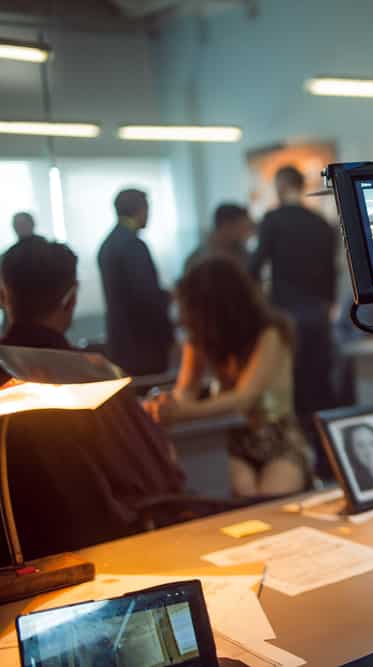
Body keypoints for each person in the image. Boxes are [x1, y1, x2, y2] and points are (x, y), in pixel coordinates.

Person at [0, 237, 185, 560]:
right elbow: (158, 479)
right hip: (106, 550)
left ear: (4, 296)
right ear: (71, 300)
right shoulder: (92, 376)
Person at [145, 256, 313, 497]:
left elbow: (244, 398)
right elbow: (185, 391)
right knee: (242, 497)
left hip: (278, 437)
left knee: (270, 498)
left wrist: (183, 411)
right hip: (230, 439)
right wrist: (166, 405)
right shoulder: (200, 337)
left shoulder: (270, 333)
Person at [249, 165, 337, 421]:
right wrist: (328, 303)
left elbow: (255, 266)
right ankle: (326, 442)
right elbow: (332, 271)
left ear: (280, 185)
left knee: (291, 380)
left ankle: (300, 443)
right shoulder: (321, 223)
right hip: (318, 311)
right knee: (319, 377)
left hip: (284, 311)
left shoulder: (272, 220)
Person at [98, 189, 174, 376]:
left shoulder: (108, 243)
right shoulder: (133, 245)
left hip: (120, 340)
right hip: (143, 343)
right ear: (141, 209)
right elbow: (146, 297)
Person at [184, 203, 255, 272]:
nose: (248, 233)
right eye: (243, 227)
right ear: (226, 226)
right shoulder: (198, 261)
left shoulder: (243, 254)